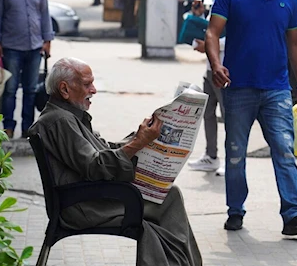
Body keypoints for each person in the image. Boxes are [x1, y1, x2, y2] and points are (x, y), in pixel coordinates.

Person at [28, 57, 203, 266]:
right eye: (86, 84)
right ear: (64, 89)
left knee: (166, 195)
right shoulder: (58, 120)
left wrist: (140, 138)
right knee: (168, 196)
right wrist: (138, 143)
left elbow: (105, 149)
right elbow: (95, 167)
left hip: (92, 197)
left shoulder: (69, 116)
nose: (93, 90)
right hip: (84, 206)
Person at [205, 0, 297, 235]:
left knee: (283, 150)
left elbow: (295, 44)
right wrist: (217, 65)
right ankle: (235, 211)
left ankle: (293, 215)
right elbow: (213, 33)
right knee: (236, 152)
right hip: (238, 88)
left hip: (277, 90)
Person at [0, 0, 54, 139]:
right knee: (9, 90)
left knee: (30, 90)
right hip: (11, 46)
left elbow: (44, 14)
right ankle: (8, 127)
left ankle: (28, 128)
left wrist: (47, 39)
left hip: (35, 47)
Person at [187, 0, 231, 175]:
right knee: (208, 112)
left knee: (228, 116)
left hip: (224, 68)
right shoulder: (215, 1)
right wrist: (199, 17)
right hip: (210, 68)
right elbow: (213, 30)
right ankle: (211, 156)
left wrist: (211, 46)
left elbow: (236, 37)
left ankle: (232, 160)